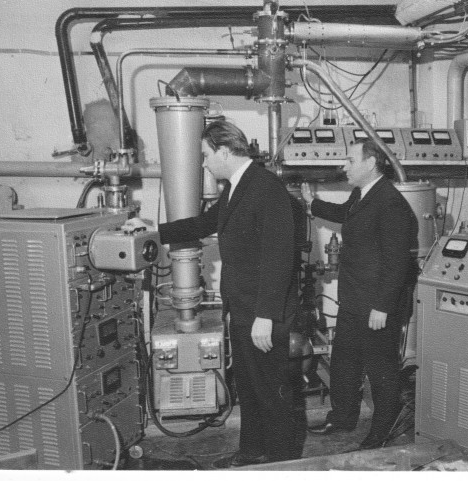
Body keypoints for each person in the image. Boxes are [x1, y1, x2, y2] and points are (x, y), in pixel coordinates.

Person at [152, 120, 299, 466]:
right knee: (249, 387)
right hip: (243, 306)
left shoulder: (266, 188)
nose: (204, 163)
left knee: (271, 393)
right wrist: (152, 232)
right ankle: (252, 452)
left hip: (263, 312)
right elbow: (202, 224)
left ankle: (284, 463)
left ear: (224, 151)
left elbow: (279, 256)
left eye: (206, 155)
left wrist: (265, 316)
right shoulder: (236, 187)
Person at [301, 138, 418, 450]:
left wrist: (382, 306)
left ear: (371, 163)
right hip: (354, 298)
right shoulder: (363, 193)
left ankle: (382, 430)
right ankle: (342, 418)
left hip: (377, 304)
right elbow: (345, 213)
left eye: (350, 160)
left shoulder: (391, 203)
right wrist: (313, 203)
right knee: (344, 362)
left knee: (381, 370)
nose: (344, 166)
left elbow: (397, 262)